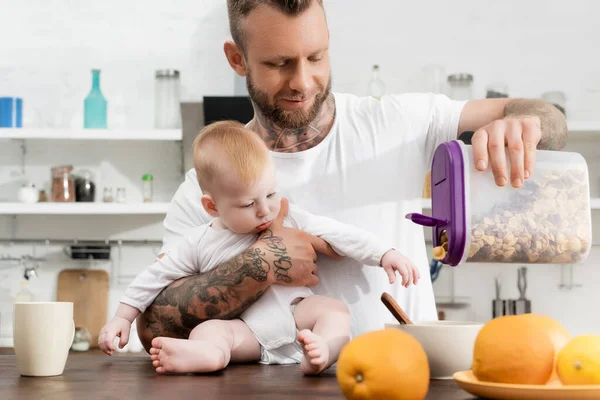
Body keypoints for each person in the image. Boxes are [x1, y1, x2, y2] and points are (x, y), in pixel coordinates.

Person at [131, 0, 567, 352]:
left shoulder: (395, 123)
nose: (302, 81)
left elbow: (550, 119)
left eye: (315, 57)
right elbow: (152, 326)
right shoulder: (207, 191)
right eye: (279, 63)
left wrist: (523, 125)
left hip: (404, 380)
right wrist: (260, 264)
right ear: (237, 59)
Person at [98, 121, 420, 375]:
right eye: (249, 203)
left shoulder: (286, 214)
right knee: (212, 331)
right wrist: (121, 319)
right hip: (247, 332)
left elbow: (338, 233)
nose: (265, 210)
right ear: (212, 207)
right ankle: (208, 356)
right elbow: (154, 277)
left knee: (335, 311)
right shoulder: (198, 242)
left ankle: (322, 352)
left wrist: (384, 253)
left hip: (297, 318)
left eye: (270, 194)